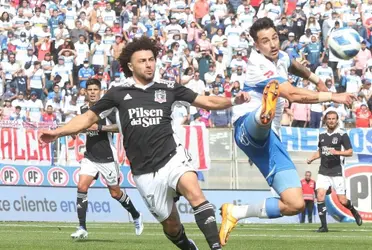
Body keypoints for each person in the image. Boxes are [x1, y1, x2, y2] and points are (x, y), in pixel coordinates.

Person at [39, 36, 250, 250]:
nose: (149, 64)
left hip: (172, 156)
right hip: (143, 171)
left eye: (151, 59)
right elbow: (87, 118)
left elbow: (206, 101)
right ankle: (187, 246)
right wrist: (58, 132)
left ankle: (216, 247)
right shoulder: (117, 93)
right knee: (171, 226)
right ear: (130, 66)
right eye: (142, 61)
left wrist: (233, 101)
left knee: (195, 192)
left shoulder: (168, 87)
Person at [219, 17, 356, 246]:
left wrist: (316, 79)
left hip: (271, 140)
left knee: (295, 204)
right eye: (265, 41)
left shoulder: (280, 56)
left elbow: (294, 65)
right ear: (256, 46)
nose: (272, 44)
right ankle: (264, 113)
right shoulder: (257, 65)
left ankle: (235, 212)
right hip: (246, 126)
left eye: (275, 37)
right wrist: (333, 95)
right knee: (268, 107)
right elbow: (292, 95)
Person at [70, 79, 143, 239]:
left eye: (95, 89)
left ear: (100, 91)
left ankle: (136, 215)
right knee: (82, 187)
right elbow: (79, 124)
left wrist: (101, 127)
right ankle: (82, 227)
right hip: (90, 156)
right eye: (90, 89)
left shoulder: (108, 110)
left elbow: (121, 127)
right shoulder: (83, 109)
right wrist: (73, 130)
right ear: (86, 92)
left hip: (107, 158)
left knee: (115, 193)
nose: (92, 92)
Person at [307, 110, 362, 232]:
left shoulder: (342, 134)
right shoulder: (321, 135)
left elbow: (350, 152)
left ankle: (353, 210)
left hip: (337, 170)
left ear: (337, 120)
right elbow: (321, 151)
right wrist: (312, 157)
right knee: (320, 195)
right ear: (326, 120)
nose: (331, 121)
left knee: (342, 200)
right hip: (323, 170)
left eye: (333, 119)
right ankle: (323, 226)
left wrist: (338, 152)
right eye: (329, 119)